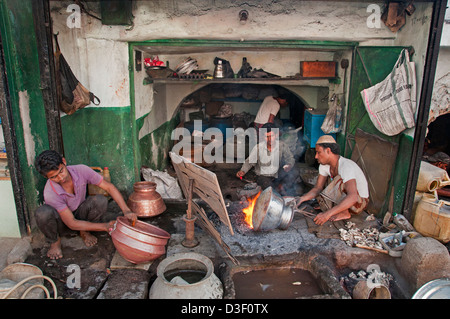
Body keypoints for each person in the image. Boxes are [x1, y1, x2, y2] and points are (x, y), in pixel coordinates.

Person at [34, 150, 137, 260]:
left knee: (100, 201)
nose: (60, 178)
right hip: (62, 223)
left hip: (80, 214)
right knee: (42, 213)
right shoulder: (50, 192)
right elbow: (71, 223)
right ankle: (55, 241)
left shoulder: (81, 170)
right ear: (47, 177)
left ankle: (84, 231)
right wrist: (105, 227)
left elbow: (108, 187)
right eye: (54, 177)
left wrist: (126, 210)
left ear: (64, 162)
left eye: (61, 171)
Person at [296, 135, 369, 225]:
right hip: (346, 199)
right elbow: (318, 188)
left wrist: (327, 214)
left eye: (318, 152)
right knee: (324, 186)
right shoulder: (324, 166)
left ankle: (345, 213)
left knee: (339, 179)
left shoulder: (346, 166)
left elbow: (353, 197)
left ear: (328, 151)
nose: (316, 156)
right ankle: (335, 208)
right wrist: (301, 199)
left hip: (358, 203)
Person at [236, 123, 295, 191]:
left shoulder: (282, 145)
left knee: (294, 173)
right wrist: (243, 171)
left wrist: (289, 165)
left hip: (277, 174)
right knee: (269, 188)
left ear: (276, 135)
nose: (269, 139)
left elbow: (290, 158)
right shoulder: (258, 148)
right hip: (263, 177)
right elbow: (249, 162)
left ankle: (282, 190)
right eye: (267, 136)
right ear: (263, 137)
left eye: (271, 136)